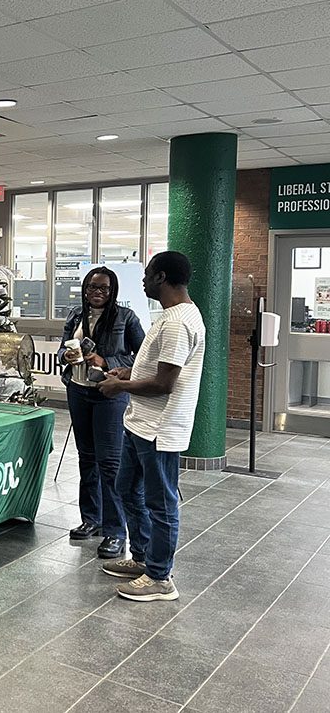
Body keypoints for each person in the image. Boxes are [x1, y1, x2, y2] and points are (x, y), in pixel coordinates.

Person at [98, 252, 205, 602]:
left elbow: (164, 384)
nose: (142, 280)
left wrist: (120, 387)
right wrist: (128, 372)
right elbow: (157, 370)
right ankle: (143, 558)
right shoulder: (170, 316)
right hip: (140, 423)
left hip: (160, 427)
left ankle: (160, 577)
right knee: (126, 487)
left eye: (146, 274)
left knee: (162, 502)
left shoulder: (177, 322)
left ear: (161, 277)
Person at [59, 267, 145, 559]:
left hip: (108, 395)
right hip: (78, 389)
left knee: (110, 464)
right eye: (92, 287)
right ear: (85, 288)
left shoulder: (126, 318)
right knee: (87, 459)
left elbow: (141, 356)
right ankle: (91, 519)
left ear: (113, 291)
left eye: (104, 289)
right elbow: (62, 349)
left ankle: (115, 531)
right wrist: (67, 356)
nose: (97, 293)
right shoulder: (74, 316)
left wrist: (106, 359)